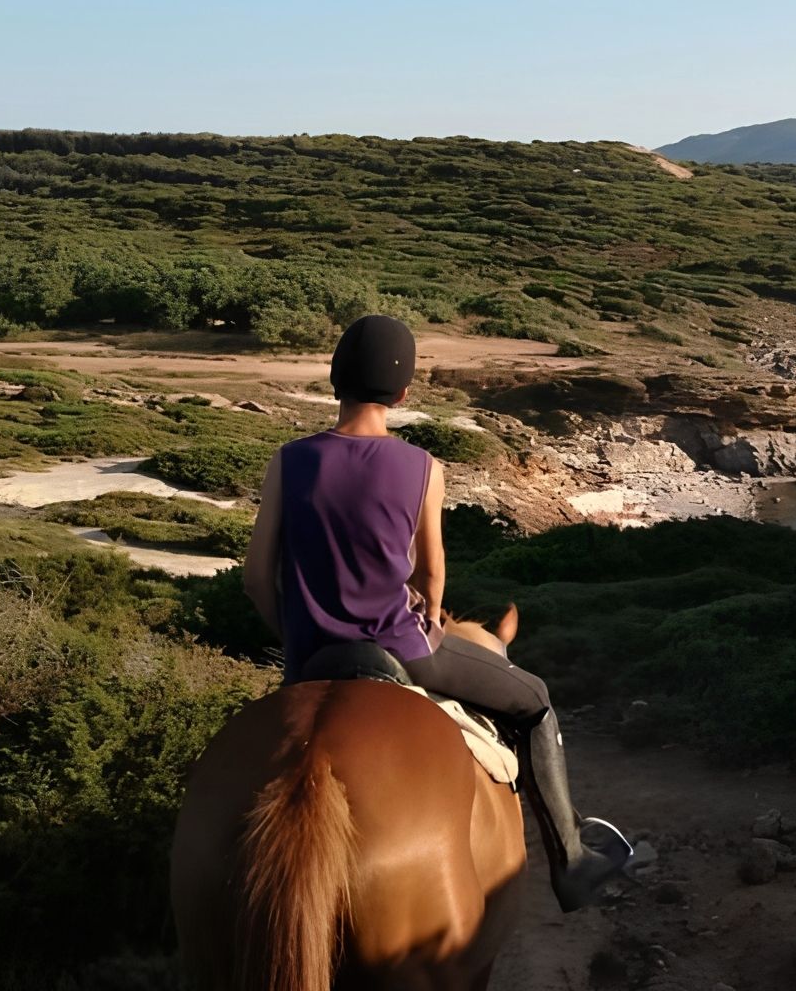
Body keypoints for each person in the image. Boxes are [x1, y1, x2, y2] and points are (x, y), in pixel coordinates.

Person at [241, 314, 624, 912]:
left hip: (310, 654)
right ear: (402, 393)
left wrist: (294, 635)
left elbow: (256, 576)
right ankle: (572, 863)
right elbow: (431, 572)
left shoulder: (288, 461)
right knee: (536, 700)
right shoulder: (421, 467)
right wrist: (435, 617)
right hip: (403, 648)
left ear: (334, 380)